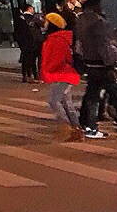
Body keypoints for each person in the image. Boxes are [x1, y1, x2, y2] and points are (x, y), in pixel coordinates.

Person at [74, 0, 117, 139]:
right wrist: (112, 61)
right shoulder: (98, 21)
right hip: (102, 65)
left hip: (90, 62)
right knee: (116, 93)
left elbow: (79, 45)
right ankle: (116, 122)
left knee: (92, 95)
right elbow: (104, 46)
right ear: (96, 5)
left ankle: (87, 125)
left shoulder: (80, 20)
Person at [39, 12, 81, 141]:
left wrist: (48, 70)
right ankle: (76, 129)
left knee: (54, 101)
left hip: (62, 74)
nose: (44, 24)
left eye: (46, 21)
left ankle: (68, 127)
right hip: (61, 73)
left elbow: (59, 58)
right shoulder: (56, 38)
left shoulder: (57, 39)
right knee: (66, 103)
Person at [14, 4, 42, 84]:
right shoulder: (32, 18)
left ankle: (27, 76)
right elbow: (41, 25)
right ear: (29, 9)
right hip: (31, 41)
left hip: (24, 42)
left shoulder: (20, 19)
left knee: (26, 58)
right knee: (31, 59)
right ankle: (31, 76)